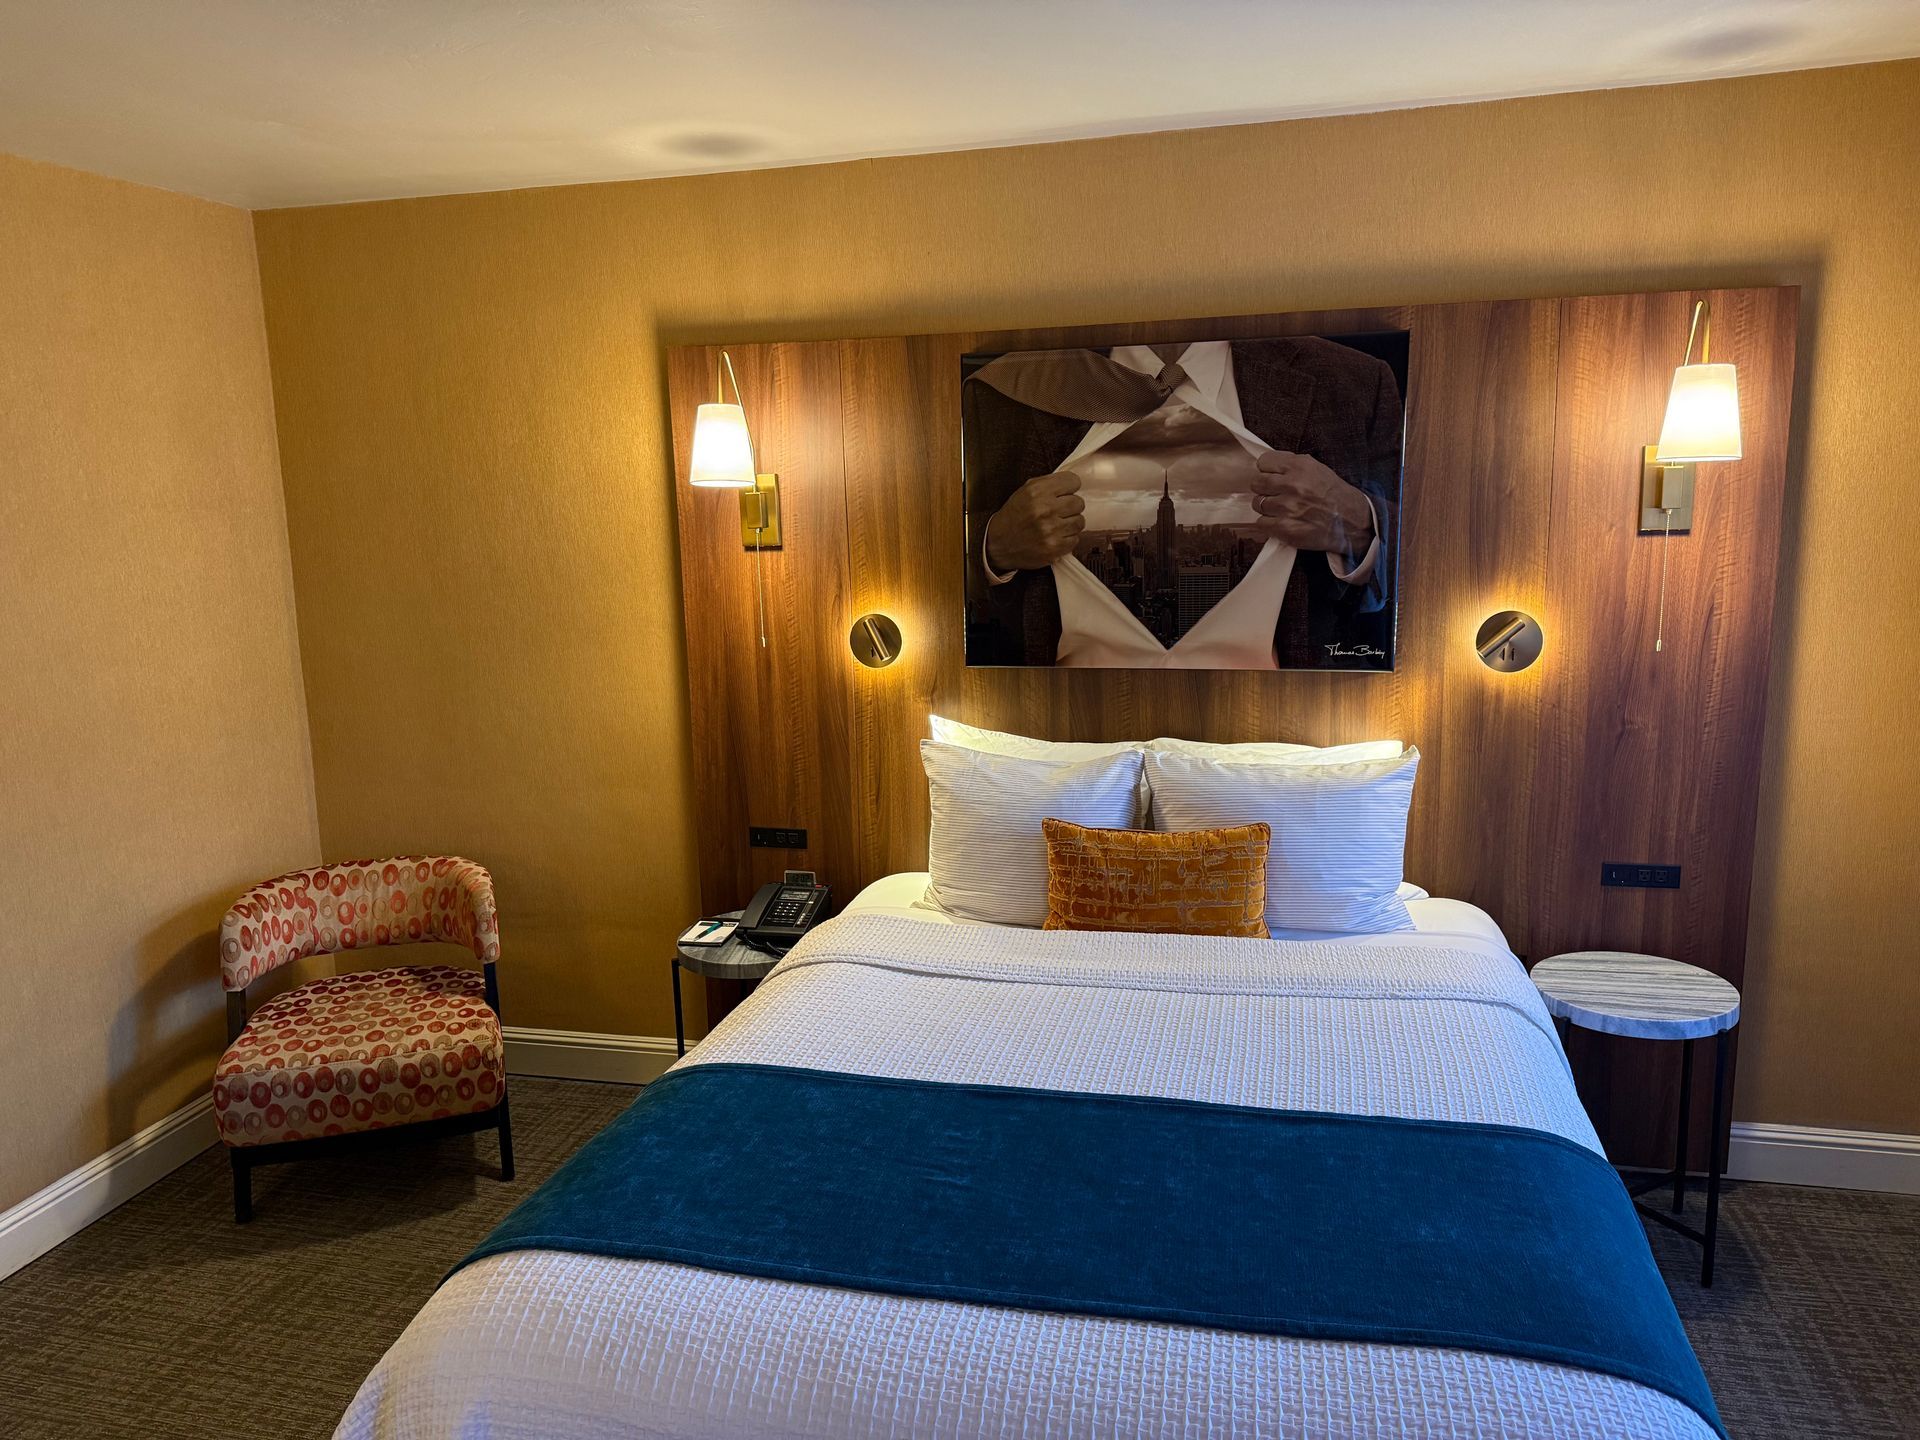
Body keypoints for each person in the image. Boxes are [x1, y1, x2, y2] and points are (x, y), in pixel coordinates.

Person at [963, 335, 1402, 669]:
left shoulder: (1353, 384)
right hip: (1062, 721)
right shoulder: (1012, 387)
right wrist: (993, 544)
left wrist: (1357, 523)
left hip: (1285, 727)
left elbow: (1427, 568)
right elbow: (938, 572)